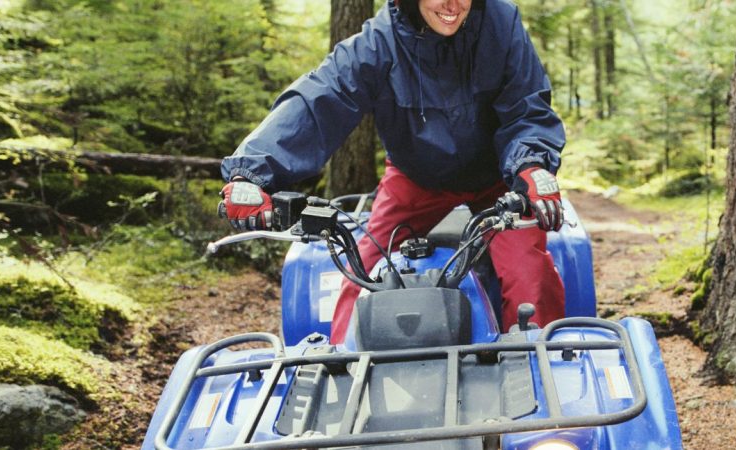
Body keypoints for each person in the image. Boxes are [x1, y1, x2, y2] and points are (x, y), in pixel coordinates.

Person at [216, 0, 566, 344]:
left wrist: (532, 166)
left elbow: (528, 107)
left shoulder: (501, 23)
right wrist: (251, 172)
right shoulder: (380, 42)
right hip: (417, 178)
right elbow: (319, 98)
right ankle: (346, 375)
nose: (452, 4)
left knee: (529, 275)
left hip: (498, 179)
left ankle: (540, 369)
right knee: (361, 274)